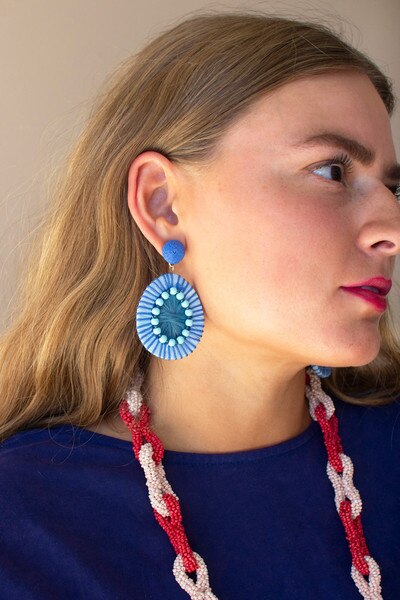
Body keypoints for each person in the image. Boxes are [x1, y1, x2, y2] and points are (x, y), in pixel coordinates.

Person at [1, 9, 400, 600]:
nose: (391, 228)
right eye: (331, 171)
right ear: (162, 204)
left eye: (393, 187)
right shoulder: (23, 525)